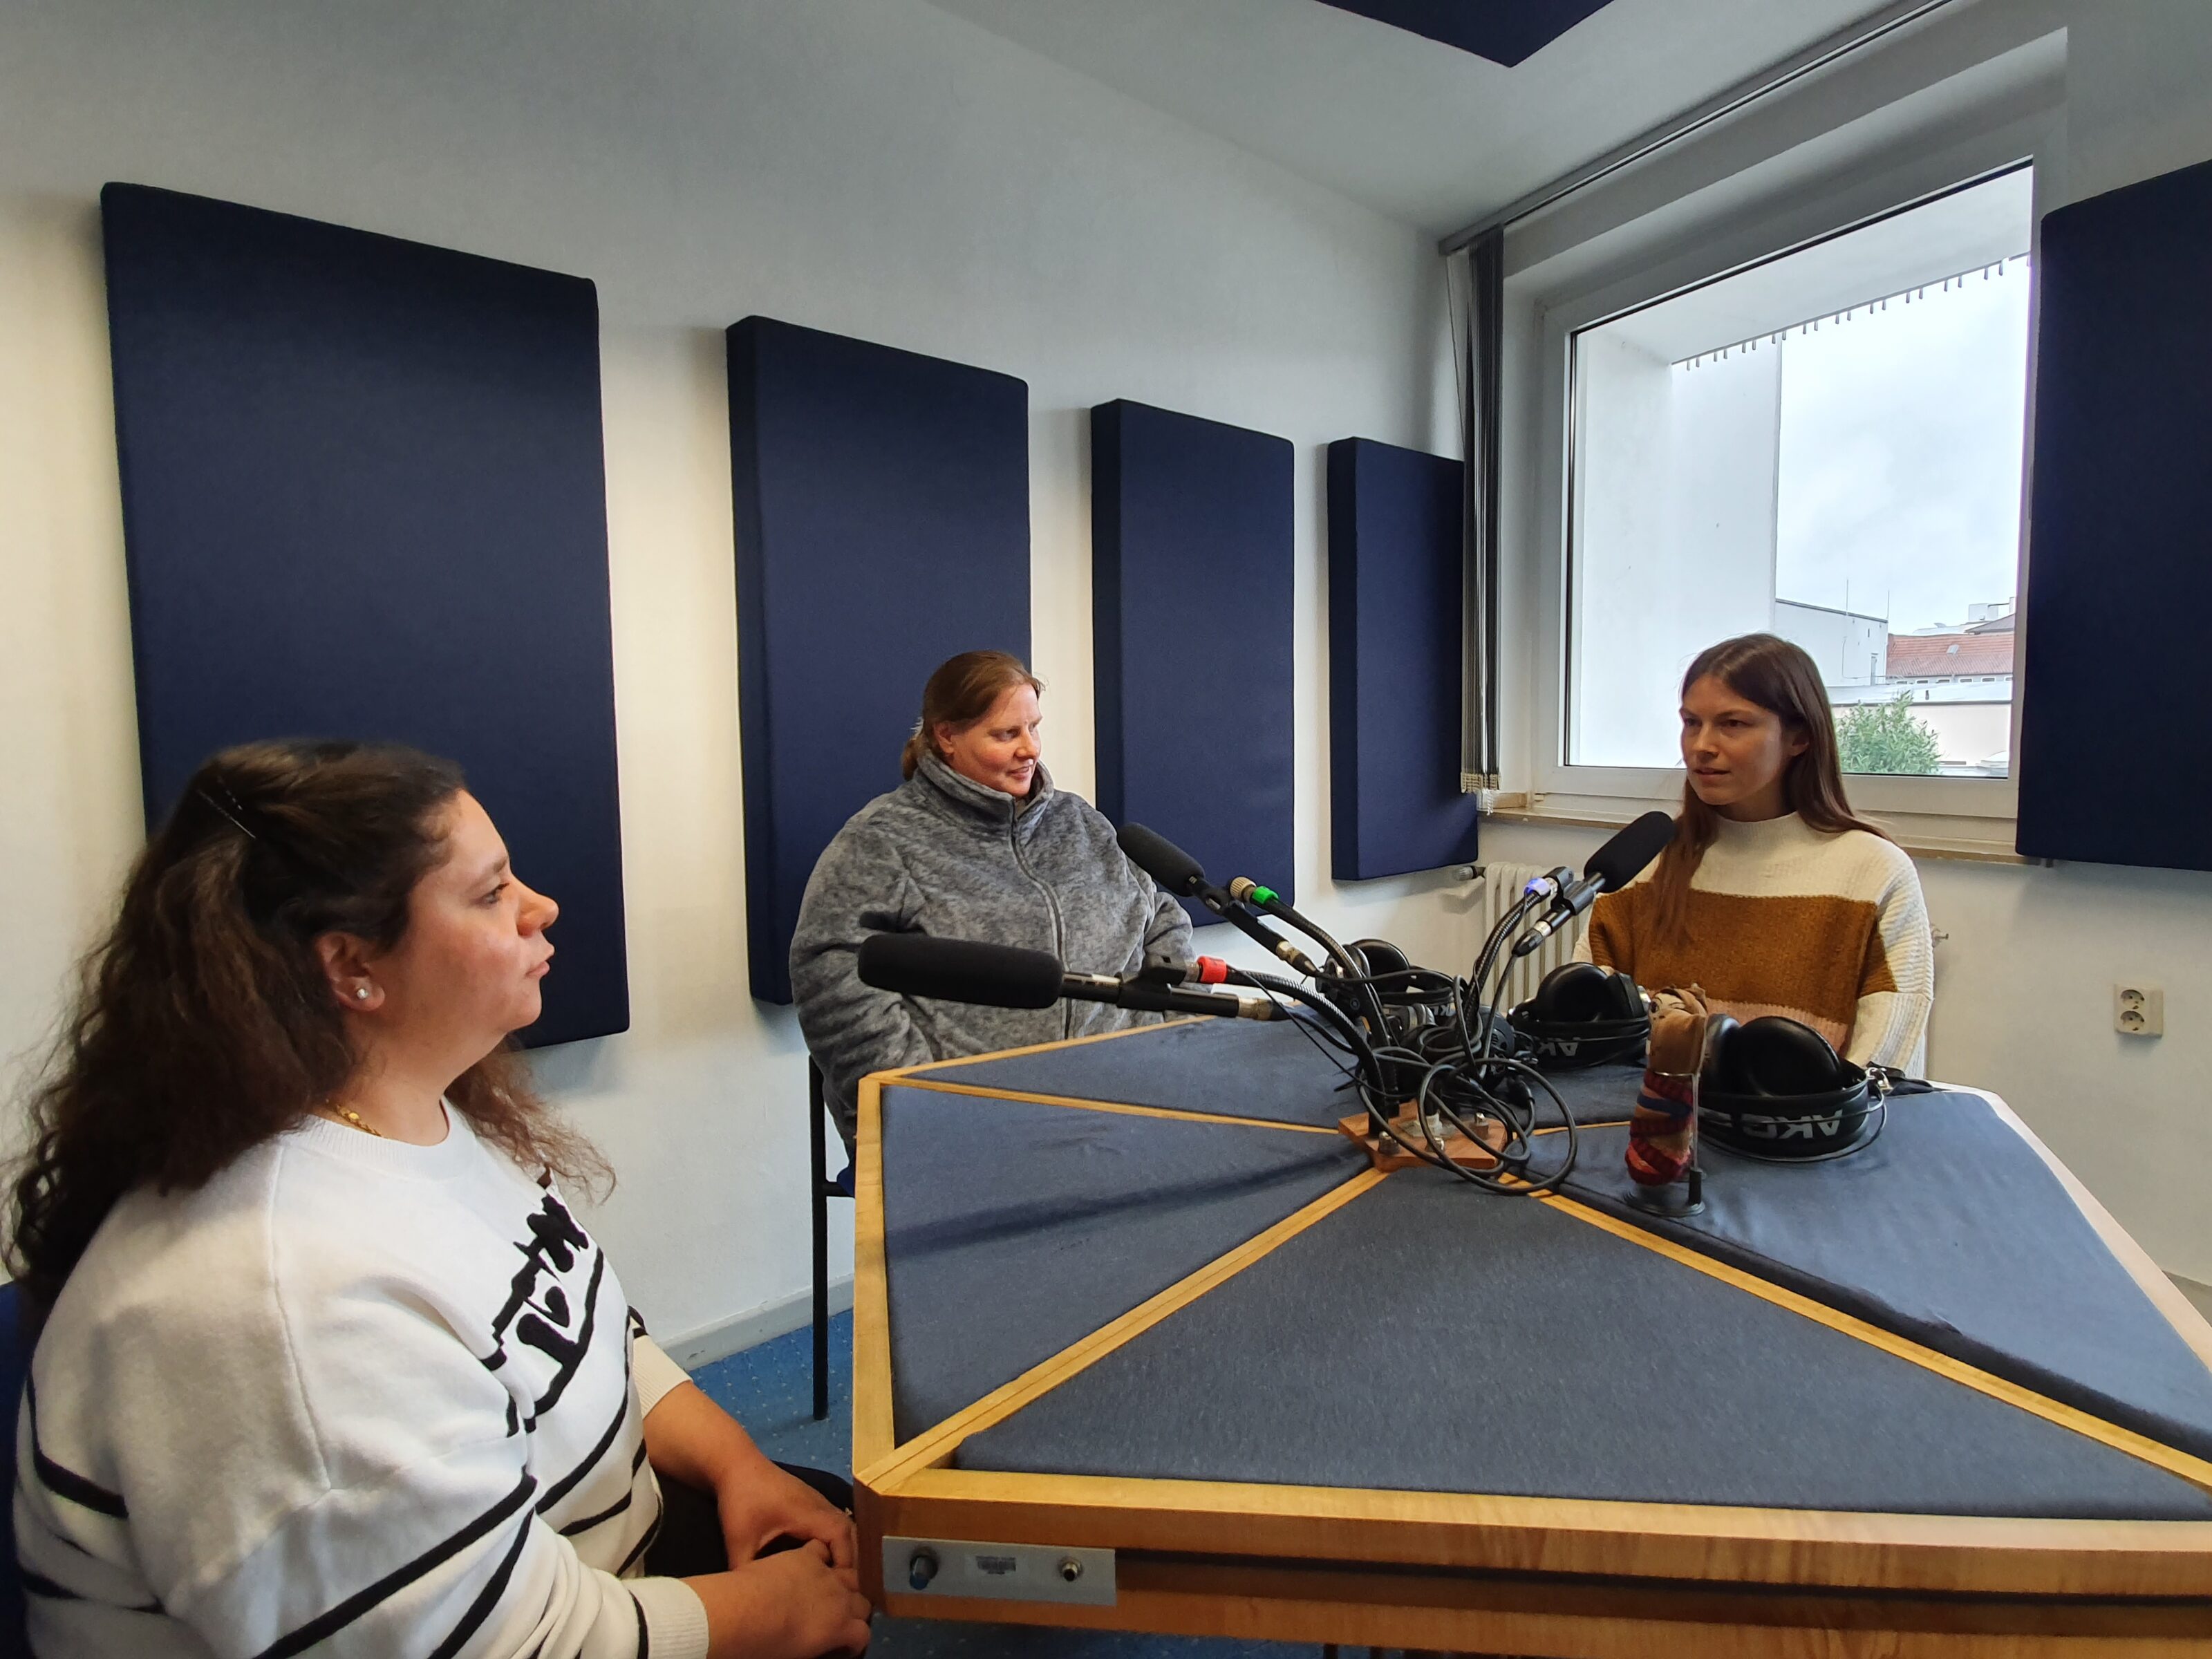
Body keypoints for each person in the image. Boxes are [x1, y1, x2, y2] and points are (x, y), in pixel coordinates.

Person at [11, 740, 871, 1659]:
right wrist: (769, 1616)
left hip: (602, 1561)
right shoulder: (280, 1306)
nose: (542, 908)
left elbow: (585, 1330)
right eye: (492, 893)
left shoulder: (420, 1112)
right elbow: (496, 1646)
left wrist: (738, 1465)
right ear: (352, 966)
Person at [791, 650, 1193, 1141]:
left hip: (1124, 1109)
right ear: (947, 736)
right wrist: (918, 1099)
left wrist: (1178, 1041)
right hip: (971, 1127)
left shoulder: (1081, 823)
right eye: (1006, 734)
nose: (1031, 749)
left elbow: (1161, 917)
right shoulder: (882, 840)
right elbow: (829, 971)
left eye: (1034, 728)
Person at [1578, 633, 1934, 1070]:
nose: (1701, 746)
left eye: (1733, 724)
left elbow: (1885, 1060)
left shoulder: (1874, 873)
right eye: (1691, 722)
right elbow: (1587, 1025)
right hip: (1651, 1127)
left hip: (1806, 1131)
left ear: (1799, 737)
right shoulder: (1645, 861)